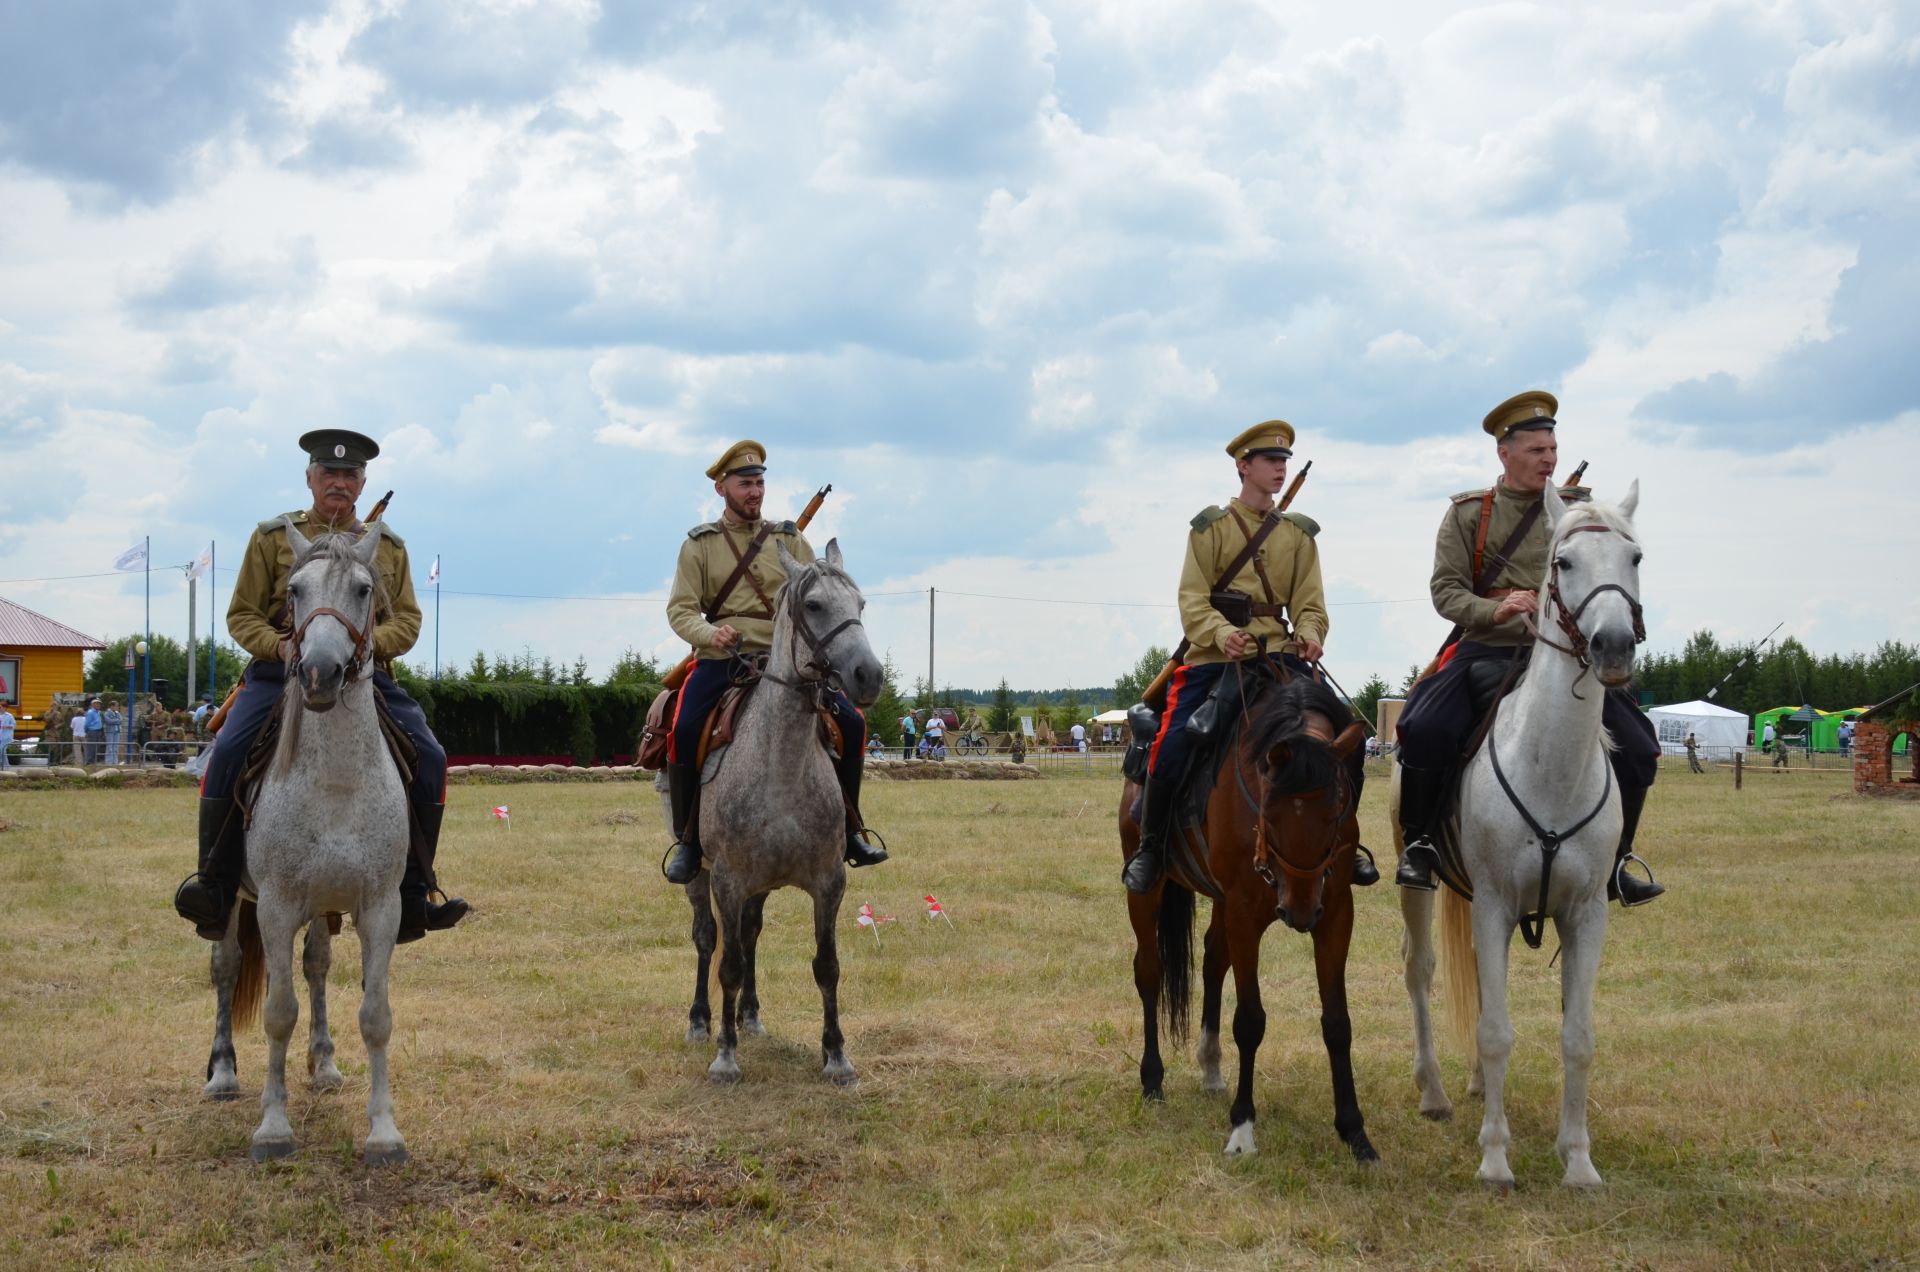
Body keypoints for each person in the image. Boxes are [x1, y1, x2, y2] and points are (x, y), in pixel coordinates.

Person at [172, 429, 468, 944]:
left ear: (362, 484)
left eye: (349, 475)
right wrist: (283, 647)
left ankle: (414, 892)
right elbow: (242, 615)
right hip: (280, 672)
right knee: (229, 751)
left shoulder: (387, 547)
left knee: (432, 756)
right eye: (328, 473)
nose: (339, 482)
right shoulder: (271, 538)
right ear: (310, 478)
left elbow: (408, 623)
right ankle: (214, 886)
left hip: (363, 675)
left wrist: (362, 646)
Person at [1394, 390, 1664, 906]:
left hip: (1567, 660)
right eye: (1537, 449)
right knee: (1423, 729)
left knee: (1641, 747)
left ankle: (1617, 860)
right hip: (1487, 651)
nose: (1549, 458)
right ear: (1505, 452)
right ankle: (1422, 844)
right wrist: (1491, 610)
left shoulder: (1581, 513)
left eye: (1553, 448)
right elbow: (1445, 591)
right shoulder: (1469, 514)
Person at [1124, 420, 1378, 893]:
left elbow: (1310, 603)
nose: (1280, 468)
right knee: (1175, 741)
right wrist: (1222, 634)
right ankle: (1153, 848)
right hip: (1215, 659)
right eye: (1270, 461)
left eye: (1284, 461)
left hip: (1281, 657)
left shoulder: (1299, 536)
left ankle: (1347, 845)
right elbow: (1192, 601)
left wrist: (1309, 632)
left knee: (1347, 740)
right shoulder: (1210, 529)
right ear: (1244, 466)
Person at [660, 440, 887, 884]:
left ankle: (850, 830)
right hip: (723, 659)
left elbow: (818, 592)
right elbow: (680, 610)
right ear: (721, 489)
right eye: (745, 483)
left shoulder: (787, 538)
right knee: (685, 729)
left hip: (789, 661)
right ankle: (688, 842)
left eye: (760, 482)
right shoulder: (699, 545)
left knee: (854, 725)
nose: (755, 491)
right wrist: (711, 633)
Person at [82, 699, 104, 765]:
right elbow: (87, 723)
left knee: (97, 747)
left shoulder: (98, 712)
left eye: (99, 704)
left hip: (98, 731)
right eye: (97, 704)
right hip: (92, 731)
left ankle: (94, 761)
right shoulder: (90, 712)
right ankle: (89, 762)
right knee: (91, 747)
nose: (98, 705)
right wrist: (87, 731)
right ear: (92, 705)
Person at [0, 703, 14, 769]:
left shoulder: (9, 716)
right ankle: (6, 765)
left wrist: (7, 726)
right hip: (0, 735)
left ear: (5, 708)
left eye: (1, 707)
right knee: (2, 750)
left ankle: (3, 764)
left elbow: (13, 725)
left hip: (6, 736)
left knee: (2, 749)